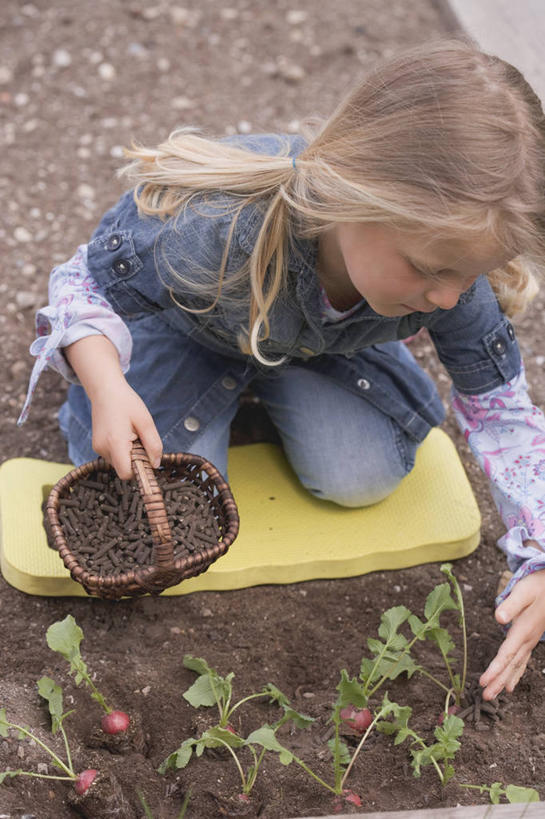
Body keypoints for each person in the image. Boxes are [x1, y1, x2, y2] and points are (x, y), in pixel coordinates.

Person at [19, 39, 545, 701]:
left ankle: (272, 371)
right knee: (153, 478)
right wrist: (106, 386)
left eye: (464, 275)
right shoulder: (210, 229)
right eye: (428, 268)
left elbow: (503, 413)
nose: (446, 295)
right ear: (353, 194)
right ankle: (203, 377)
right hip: (194, 326)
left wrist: (539, 555)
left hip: (319, 348)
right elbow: (81, 285)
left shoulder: (448, 277)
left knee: (364, 470)